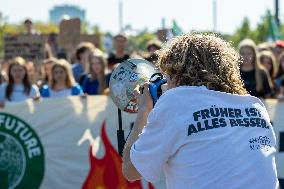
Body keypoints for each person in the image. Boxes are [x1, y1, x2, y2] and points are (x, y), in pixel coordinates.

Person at [122, 33, 278, 189]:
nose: (166, 85)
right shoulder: (256, 107)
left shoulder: (175, 101)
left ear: (177, 74)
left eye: (168, 77)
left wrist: (144, 110)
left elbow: (131, 170)